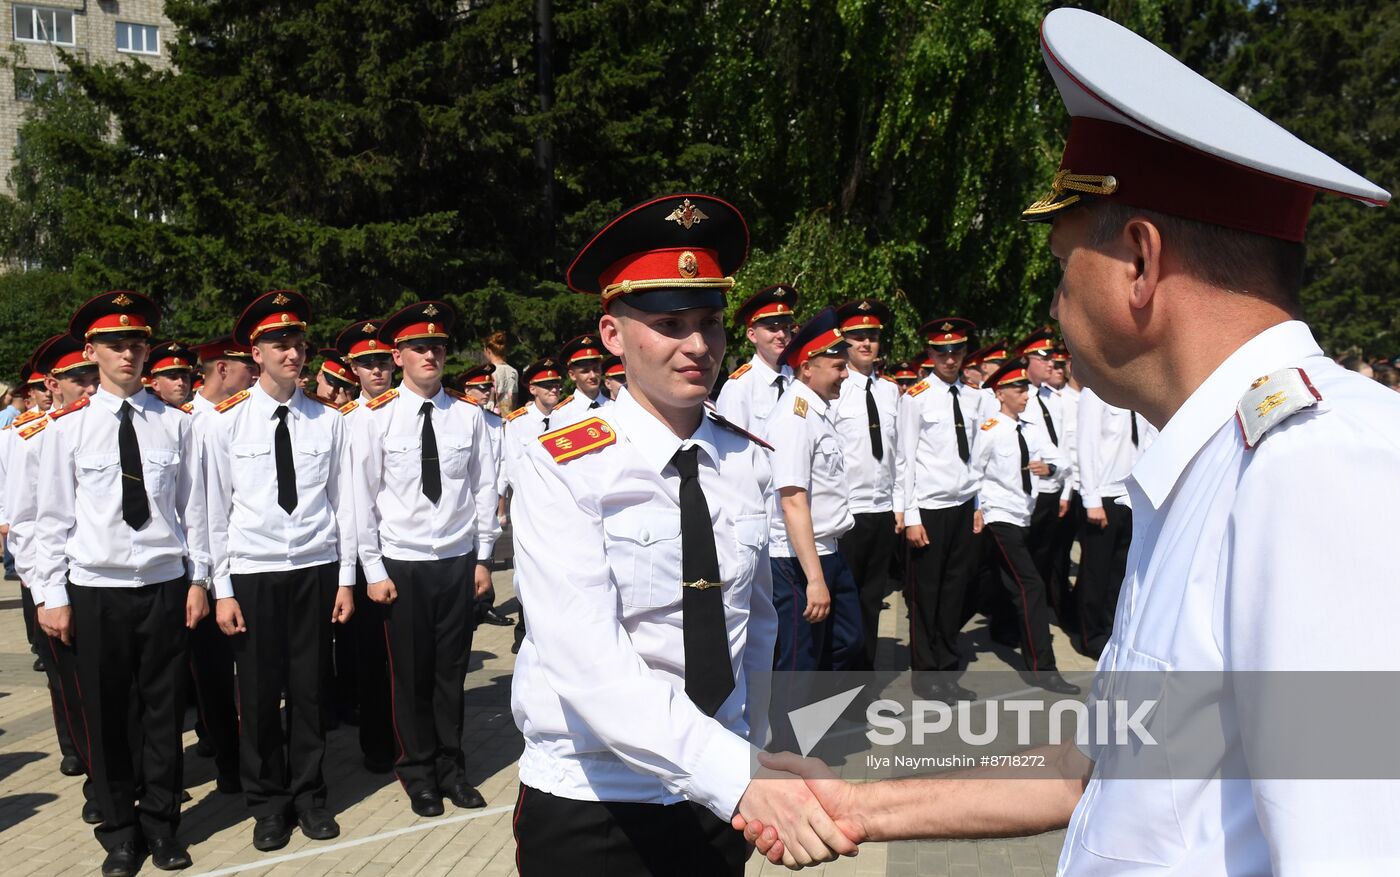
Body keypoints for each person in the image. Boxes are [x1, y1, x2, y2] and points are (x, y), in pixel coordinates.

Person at [741, 8, 1398, 872]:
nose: (1053, 303)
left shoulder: (1316, 470)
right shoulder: (1224, 461)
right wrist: (857, 804)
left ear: (1139, 263)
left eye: (1061, 263)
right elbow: (1100, 763)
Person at [510, 193, 854, 874]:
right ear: (613, 336)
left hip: (717, 800)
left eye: (710, 322)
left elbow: (754, 628)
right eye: (669, 324)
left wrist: (757, 751)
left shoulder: (745, 458)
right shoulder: (562, 465)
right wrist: (736, 775)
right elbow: (586, 659)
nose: (698, 346)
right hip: (596, 799)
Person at [34, 290, 207, 876]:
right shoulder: (65, 430)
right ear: (92, 352)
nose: (128, 353)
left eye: (136, 343)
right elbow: (50, 519)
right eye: (114, 343)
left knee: (164, 712)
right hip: (96, 588)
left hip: (163, 583)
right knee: (108, 716)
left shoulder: (175, 425)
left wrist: (199, 579)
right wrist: (52, 595)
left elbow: (194, 511)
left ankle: (162, 826)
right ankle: (120, 833)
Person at [201, 290, 355, 852]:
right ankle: (267, 804)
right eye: (279, 344)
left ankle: (310, 795)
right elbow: (213, 513)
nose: (292, 353)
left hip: (314, 568)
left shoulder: (328, 421)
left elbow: (344, 504)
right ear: (256, 353)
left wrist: (345, 578)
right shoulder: (225, 423)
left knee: (311, 691)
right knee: (260, 694)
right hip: (253, 572)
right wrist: (221, 590)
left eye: (298, 343)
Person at [349, 301, 500, 818]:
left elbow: (483, 489)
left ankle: (452, 770)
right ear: (398, 356)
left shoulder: (469, 416)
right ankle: (418, 773)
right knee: (410, 676)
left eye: (437, 347)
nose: (430, 355)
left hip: (456, 560)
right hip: (402, 563)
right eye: (418, 348)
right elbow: (362, 500)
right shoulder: (374, 418)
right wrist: (373, 570)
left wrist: (484, 558)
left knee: (450, 674)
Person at [4, 334, 100, 823]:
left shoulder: (102, 424)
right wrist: (42, 590)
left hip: (93, 574)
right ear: (53, 384)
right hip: (48, 577)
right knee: (69, 681)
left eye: (92, 376)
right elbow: (23, 521)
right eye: (78, 379)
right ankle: (86, 763)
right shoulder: (32, 435)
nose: (89, 386)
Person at [969, 360, 1077, 694]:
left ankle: (995, 630)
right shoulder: (990, 430)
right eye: (1018, 390)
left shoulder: (1031, 429)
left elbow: (1061, 461)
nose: (1026, 395)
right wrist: (978, 509)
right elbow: (974, 473)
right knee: (1031, 585)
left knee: (1002, 583)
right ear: (1000, 394)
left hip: (1025, 513)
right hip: (999, 515)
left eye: (1026, 389)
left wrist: (1050, 468)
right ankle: (1043, 668)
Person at [764, 306, 861, 673]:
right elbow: (792, 501)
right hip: (796, 560)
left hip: (827, 548)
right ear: (807, 367)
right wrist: (815, 579)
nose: (845, 374)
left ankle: (817, 708)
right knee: (799, 662)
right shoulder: (794, 419)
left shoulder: (815, 412)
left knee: (847, 640)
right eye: (838, 367)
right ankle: (792, 714)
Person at [895, 317, 986, 701]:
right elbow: (905, 460)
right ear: (930, 354)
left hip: (963, 505)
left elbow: (978, 457)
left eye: (957, 351)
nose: (950, 359)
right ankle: (926, 673)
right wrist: (911, 516)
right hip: (929, 509)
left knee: (955, 591)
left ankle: (948, 665)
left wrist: (979, 504)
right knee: (926, 595)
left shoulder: (975, 396)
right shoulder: (915, 398)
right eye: (942, 352)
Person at [332, 317, 398, 773]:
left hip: (398, 548)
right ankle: (377, 744)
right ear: (353, 370)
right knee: (370, 654)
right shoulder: (342, 421)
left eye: (382, 362)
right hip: (355, 556)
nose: (377, 370)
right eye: (366, 363)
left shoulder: (401, 411)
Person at [831, 299, 900, 672]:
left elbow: (899, 454)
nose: (866, 344)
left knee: (872, 600)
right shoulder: (835, 390)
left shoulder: (890, 391)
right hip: (847, 511)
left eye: (872, 336)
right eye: (857, 337)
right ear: (844, 341)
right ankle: (837, 680)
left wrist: (900, 506)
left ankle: (863, 678)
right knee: (843, 602)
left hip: (881, 509)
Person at [1074, 385, 1154, 658]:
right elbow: (1086, 446)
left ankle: (1112, 629)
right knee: (1096, 572)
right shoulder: (1094, 393)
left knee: (1121, 570)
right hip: (1104, 495)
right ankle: (1090, 635)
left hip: (1130, 494)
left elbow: (1146, 440)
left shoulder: (1132, 390)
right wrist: (1091, 499)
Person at [1015, 328, 1077, 627]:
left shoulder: (1055, 398)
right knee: (1024, 561)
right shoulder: (1016, 397)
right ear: (1026, 360)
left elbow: (1064, 445)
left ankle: (1039, 614)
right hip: (1027, 491)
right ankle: (1016, 620)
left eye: (1052, 358)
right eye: (1044, 358)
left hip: (1054, 488)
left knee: (1047, 555)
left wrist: (1065, 490)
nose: (1052, 363)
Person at [459, 362, 514, 628]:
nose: (486, 393)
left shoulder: (493, 421)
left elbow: (501, 464)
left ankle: (485, 604)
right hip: (462, 500)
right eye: (480, 388)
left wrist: (499, 501)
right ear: (467, 389)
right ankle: (466, 607)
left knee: (486, 552)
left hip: (488, 496)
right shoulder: (458, 417)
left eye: (488, 388)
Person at [714, 284, 797, 433]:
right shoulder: (739, 387)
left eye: (785, 328)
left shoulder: (797, 378)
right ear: (752, 335)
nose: (781, 335)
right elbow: (731, 443)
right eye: (772, 329)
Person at [551, 333, 613, 425]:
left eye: (596, 369)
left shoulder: (614, 407)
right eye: (585, 371)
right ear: (572, 375)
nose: (593, 375)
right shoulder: (561, 415)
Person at [146, 341, 196, 409]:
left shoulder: (191, 411)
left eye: (185, 377)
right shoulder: (149, 411)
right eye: (173, 378)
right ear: (155, 384)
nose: (181, 383)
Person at [483, 330, 518, 414]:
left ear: (488, 350)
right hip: (508, 417)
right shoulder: (513, 371)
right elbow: (514, 399)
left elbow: (488, 402)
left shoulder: (488, 371)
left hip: (491, 418)